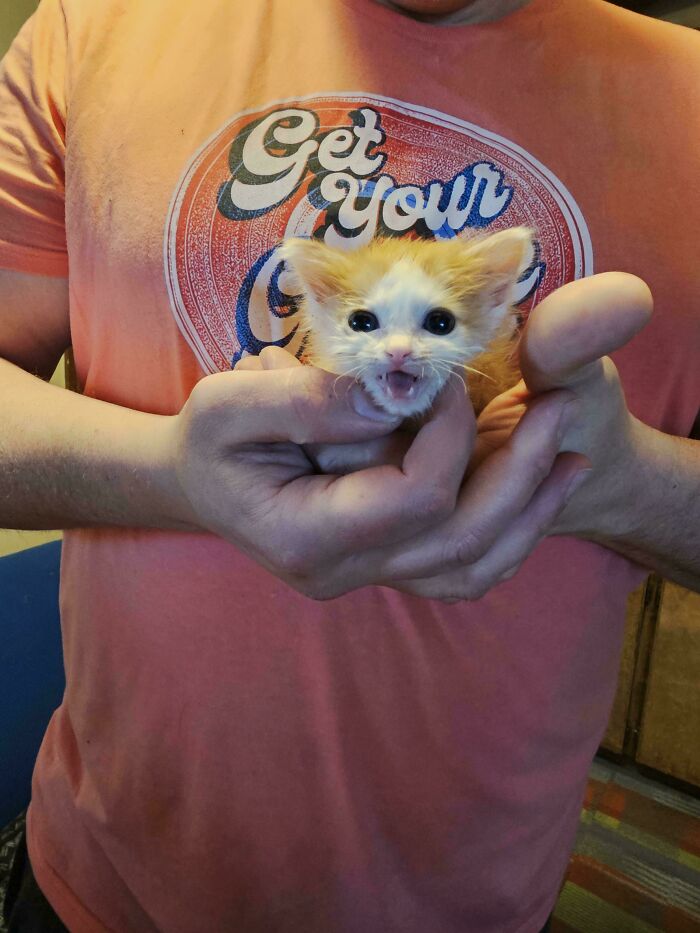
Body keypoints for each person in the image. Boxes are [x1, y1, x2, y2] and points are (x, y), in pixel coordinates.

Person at [0, 0, 697, 930]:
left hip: (471, 897)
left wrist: (624, 480)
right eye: (367, 323)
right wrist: (174, 472)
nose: (405, 355)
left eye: (439, 326)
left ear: (495, 307)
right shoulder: (95, 23)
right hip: (104, 877)